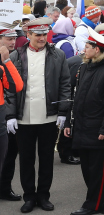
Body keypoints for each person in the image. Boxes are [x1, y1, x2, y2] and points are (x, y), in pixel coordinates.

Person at [5, 17, 71, 213]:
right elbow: (10, 88)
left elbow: (65, 84)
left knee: (46, 159)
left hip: (48, 116)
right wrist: (10, 115)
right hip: (23, 117)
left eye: (44, 34)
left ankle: (43, 196)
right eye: (38, 35)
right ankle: (29, 196)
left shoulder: (58, 55)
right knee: (26, 160)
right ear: (28, 35)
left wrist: (63, 111)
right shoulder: (16, 55)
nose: (42, 38)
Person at [65, 27, 104, 215]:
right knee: (87, 170)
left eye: (88, 46)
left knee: (97, 171)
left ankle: (92, 205)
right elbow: (75, 98)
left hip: (98, 128)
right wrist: (68, 123)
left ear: (97, 49)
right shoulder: (83, 67)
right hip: (82, 126)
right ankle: (102, 203)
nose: (84, 50)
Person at [0, 23, 24, 200]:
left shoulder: (4, 62)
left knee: (6, 158)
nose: (13, 42)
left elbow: (17, 86)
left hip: (3, 115)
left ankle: (4, 189)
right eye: (9, 39)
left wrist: (6, 61)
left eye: (14, 38)